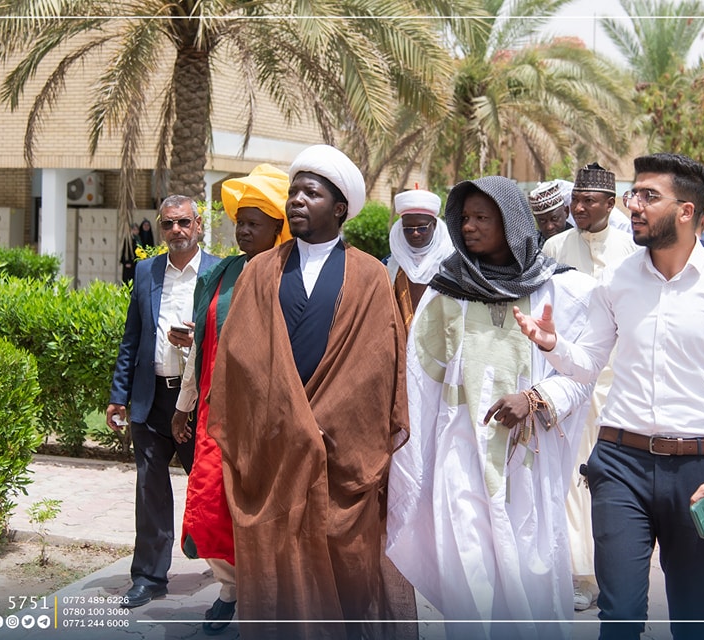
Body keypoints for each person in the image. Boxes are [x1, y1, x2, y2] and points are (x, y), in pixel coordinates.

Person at [514, 153, 704, 640]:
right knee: (620, 614)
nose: (635, 206)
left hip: (696, 470)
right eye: (634, 194)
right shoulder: (617, 280)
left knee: (692, 614)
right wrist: (553, 345)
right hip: (619, 464)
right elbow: (590, 363)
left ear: (686, 211)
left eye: (650, 196)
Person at [206, 144, 409, 640]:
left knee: (347, 574)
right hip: (274, 451)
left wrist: (321, 425)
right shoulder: (260, 270)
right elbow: (240, 361)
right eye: (294, 192)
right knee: (276, 572)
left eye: (310, 193)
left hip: (340, 456)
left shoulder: (369, 276)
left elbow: (377, 369)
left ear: (339, 209)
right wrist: (286, 422)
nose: (296, 200)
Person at [387, 175, 597, 639]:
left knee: (529, 570)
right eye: (464, 217)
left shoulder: (561, 290)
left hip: (528, 461)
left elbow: (583, 373)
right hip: (460, 453)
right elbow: (419, 379)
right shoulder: (447, 289)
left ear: (512, 222)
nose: (468, 227)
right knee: (469, 569)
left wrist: (535, 398)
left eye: (482, 217)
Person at [169, 164, 292, 634]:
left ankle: (269, 595)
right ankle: (230, 588)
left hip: (270, 418)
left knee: (264, 507)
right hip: (216, 413)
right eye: (240, 222)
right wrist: (184, 405)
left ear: (278, 228)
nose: (242, 231)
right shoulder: (222, 273)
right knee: (212, 505)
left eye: (254, 223)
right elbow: (203, 344)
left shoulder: (291, 275)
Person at [106, 195, 221, 608]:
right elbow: (132, 338)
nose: (176, 230)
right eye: (169, 224)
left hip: (199, 402)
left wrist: (197, 340)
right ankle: (149, 577)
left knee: (211, 486)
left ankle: (231, 569)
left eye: (184, 222)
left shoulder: (219, 272)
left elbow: (234, 335)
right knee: (150, 490)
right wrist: (118, 395)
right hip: (151, 397)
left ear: (199, 225)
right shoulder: (146, 271)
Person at [540, 161, 637, 612]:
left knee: (612, 480)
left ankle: (612, 573)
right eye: (575, 200)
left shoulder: (631, 250)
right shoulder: (555, 247)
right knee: (570, 475)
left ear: (610, 204)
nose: (578, 208)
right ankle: (578, 573)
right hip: (568, 377)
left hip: (619, 384)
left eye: (589, 201)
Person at [385, 187, 455, 328]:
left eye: (422, 228)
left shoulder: (451, 265)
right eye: (408, 229)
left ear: (434, 225)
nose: (415, 234)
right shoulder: (390, 265)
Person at [529, 179, 574, 245]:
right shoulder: (533, 245)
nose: (549, 227)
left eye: (554, 219)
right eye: (542, 221)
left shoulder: (581, 241)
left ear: (566, 212)